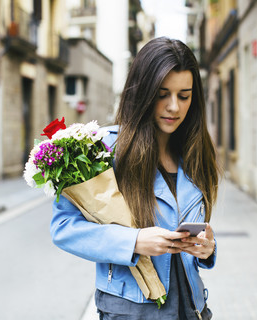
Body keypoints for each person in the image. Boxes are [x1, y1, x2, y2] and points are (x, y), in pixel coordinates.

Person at [50, 37, 220, 319]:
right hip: (131, 311)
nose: (174, 107)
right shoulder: (103, 149)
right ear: (142, 92)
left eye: (184, 95)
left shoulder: (194, 153)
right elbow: (64, 228)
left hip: (192, 308)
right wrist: (134, 241)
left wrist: (207, 247)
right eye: (162, 94)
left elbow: (195, 230)